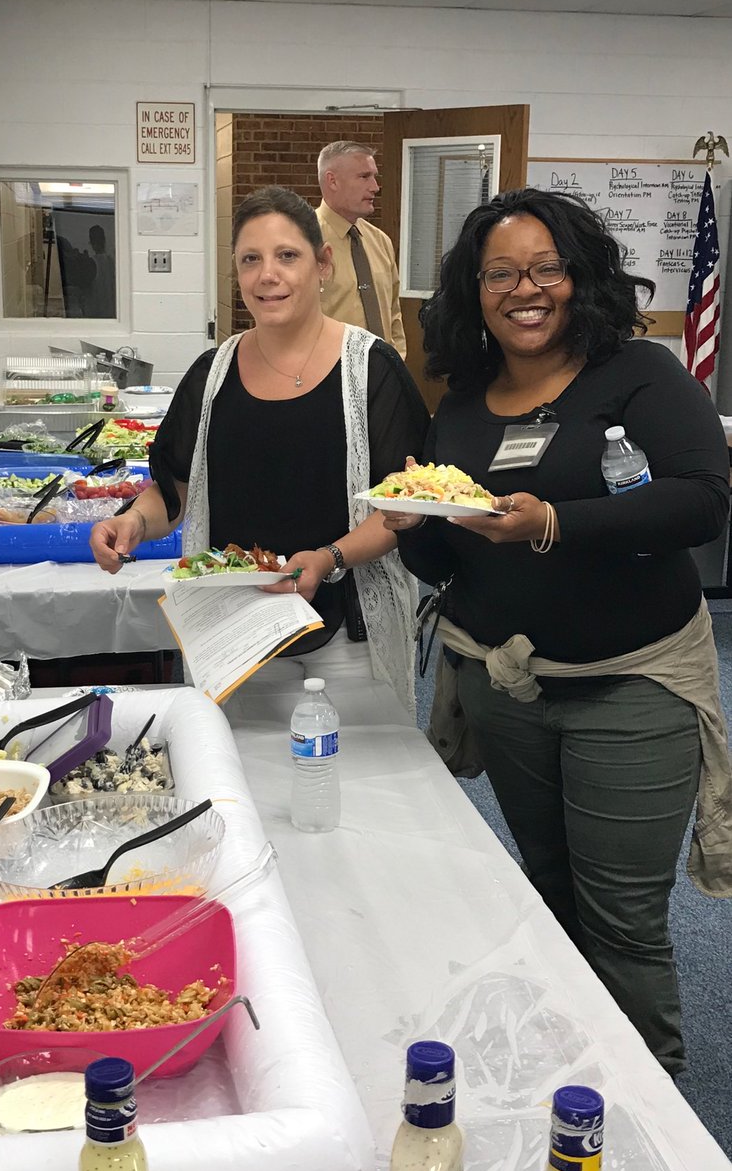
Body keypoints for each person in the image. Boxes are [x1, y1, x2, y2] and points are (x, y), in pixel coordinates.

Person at [383, 186, 732, 1077]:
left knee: (621, 923)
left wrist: (553, 523)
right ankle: (564, 1074)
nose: (525, 288)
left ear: (577, 277)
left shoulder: (641, 373)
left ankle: (642, 1109)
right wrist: (419, 522)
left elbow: (703, 499)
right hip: (509, 689)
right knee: (544, 890)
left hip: (634, 686)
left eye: (546, 268)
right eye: (501, 272)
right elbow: (451, 567)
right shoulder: (462, 401)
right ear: (475, 289)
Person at [90, 185, 427, 713]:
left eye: (287, 256)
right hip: (233, 636)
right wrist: (133, 522)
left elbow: (400, 507)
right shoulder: (211, 375)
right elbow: (174, 487)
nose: (267, 275)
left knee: (355, 782)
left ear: (323, 265)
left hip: (345, 639)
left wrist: (328, 558)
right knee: (236, 785)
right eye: (251, 259)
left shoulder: (371, 370)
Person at [317, 141, 407, 359]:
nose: (375, 186)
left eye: (374, 176)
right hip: (326, 378)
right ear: (332, 181)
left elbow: (393, 314)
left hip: (382, 378)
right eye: (364, 177)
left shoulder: (380, 241)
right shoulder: (302, 241)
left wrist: (397, 363)